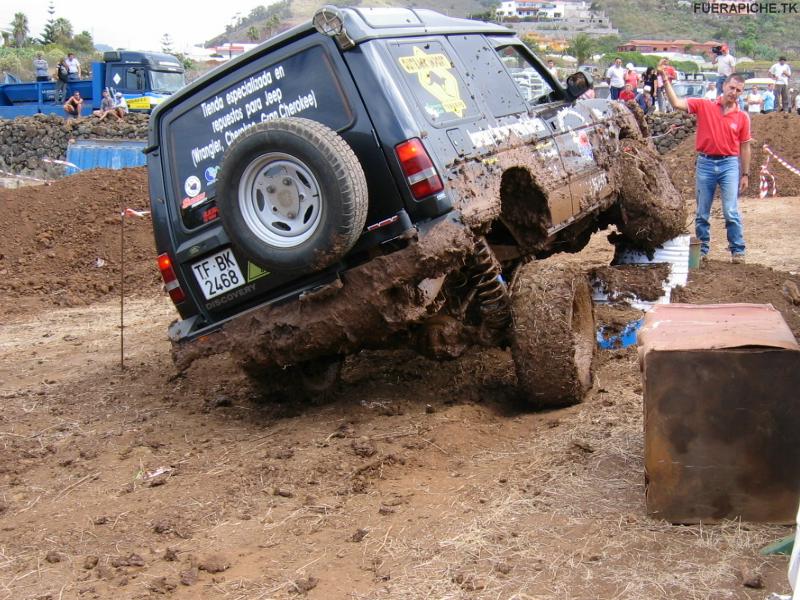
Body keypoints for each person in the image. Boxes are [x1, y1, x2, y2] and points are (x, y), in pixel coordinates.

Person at [658, 59, 749, 264]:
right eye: (732, 87)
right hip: (706, 163)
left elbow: (745, 145)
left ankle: (737, 250)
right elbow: (676, 103)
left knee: (730, 210)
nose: (734, 92)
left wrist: (746, 173)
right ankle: (703, 251)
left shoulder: (742, 117)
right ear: (724, 86)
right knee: (702, 212)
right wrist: (665, 80)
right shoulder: (704, 105)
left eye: (739, 90)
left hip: (729, 164)